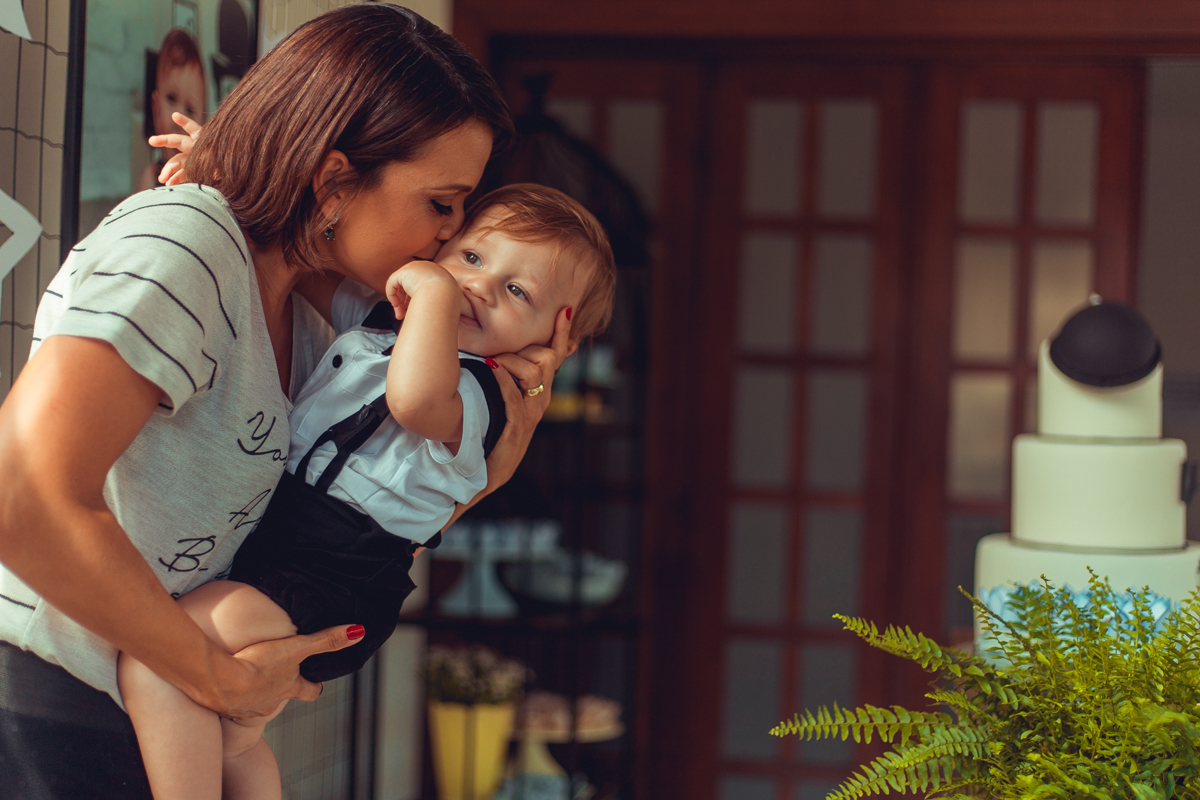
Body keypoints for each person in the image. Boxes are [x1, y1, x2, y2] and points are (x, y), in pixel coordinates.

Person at [0, 6, 566, 798]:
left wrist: (480, 469)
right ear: (335, 179)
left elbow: (345, 520)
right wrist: (216, 676)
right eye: (442, 204)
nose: (448, 243)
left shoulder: (310, 320)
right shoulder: (187, 247)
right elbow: (22, 498)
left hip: (145, 714)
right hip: (46, 704)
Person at [116, 183, 615, 800]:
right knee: (233, 739)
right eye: (473, 259)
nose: (479, 286)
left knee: (159, 658)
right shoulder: (388, 322)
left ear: (550, 338)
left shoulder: (485, 403)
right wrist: (222, 178)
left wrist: (433, 288)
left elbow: (413, 399)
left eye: (518, 291)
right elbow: (302, 264)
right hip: (286, 546)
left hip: (331, 575)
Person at [138, 28, 207, 192]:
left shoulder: (205, 180)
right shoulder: (151, 177)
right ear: (156, 109)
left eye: (190, 110)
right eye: (171, 99)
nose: (178, 119)